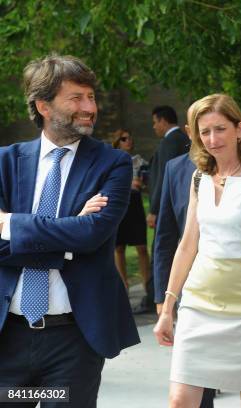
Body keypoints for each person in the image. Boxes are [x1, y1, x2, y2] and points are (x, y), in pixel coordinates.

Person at [0, 54, 139, 407]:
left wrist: (12, 224)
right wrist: (68, 232)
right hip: (7, 340)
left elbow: (93, 235)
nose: (89, 107)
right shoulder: (5, 162)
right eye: (76, 98)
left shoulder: (114, 163)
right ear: (43, 105)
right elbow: (79, 236)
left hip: (74, 341)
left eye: (91, 97)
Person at [154, 94, 241, 408]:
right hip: (199, 305)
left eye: (220, 129)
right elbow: (187, 244)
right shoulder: (198, 178)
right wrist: (167, 308)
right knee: (180, 401)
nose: (212, 139)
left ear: (239, 129)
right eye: (204, 132)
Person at [140, 105, 190, 313]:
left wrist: (154, 209)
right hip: (182, 204)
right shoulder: (179, 140)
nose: (154, 127)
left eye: (155, 122)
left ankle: (157, 296)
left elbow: (163, 178)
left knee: (163, 249)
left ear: (163, 121)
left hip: (169, 206)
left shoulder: (171, 142)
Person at [110, 129, 150, 290]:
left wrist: (143, 182)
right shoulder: (111, 162)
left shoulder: (139, 161)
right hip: (118, 205)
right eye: (124, 139)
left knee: (141, 246)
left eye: (130, 138)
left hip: (135, 204)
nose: (129, 141)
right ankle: (123, 285)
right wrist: (128, 184)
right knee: (119, 248)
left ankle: (148, 285)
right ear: (117, 142)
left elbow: (149, 181)